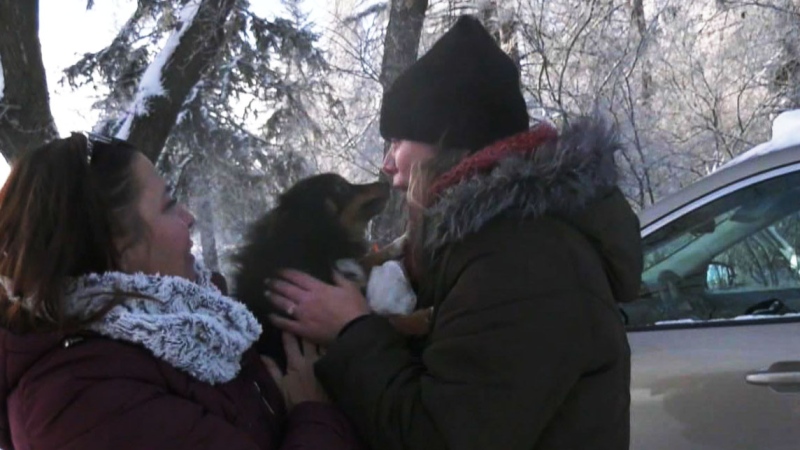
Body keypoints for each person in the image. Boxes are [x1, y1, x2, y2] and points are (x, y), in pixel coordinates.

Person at [267, 15, 643, 450]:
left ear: (447, 140)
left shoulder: (522, 264)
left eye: (398, 141)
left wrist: (353, 331)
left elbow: (440, 436)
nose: (388, 164)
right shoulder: (490, 245)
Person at [0, 134, 361, 450]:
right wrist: (315, 412)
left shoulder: (195, 321)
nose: (189, 217)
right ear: (118, 247)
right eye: (169, 204)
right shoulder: (84, 403)